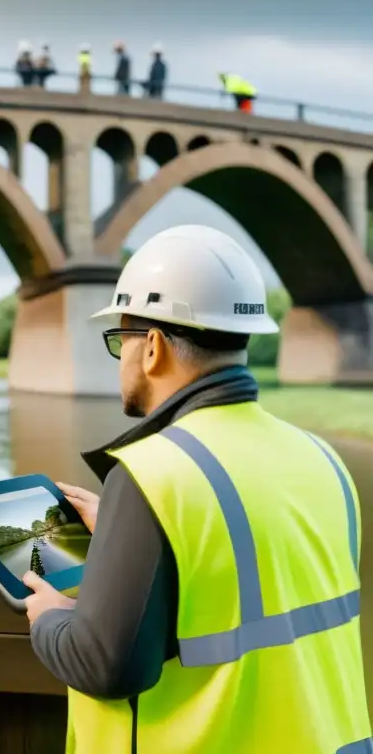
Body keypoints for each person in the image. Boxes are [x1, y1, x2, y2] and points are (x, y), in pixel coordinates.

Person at [21, 224, 369, 753]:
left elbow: (103, 664)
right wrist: (127, 530)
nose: (123, 359)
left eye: (121, 340)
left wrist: (48, 618)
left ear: (153, 347)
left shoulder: (151, 474)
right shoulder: (322, 458)